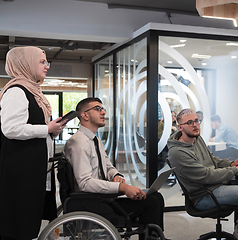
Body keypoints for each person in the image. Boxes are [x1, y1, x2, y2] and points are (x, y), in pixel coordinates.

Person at [63, 97, 165, 240]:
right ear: (84, 115)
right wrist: (122, 188)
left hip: (102, 198)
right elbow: (85, 183)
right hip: (91, 202)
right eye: (98, 109)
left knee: (155, 197)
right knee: (152, 202)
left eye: (103, 109)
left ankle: (155, 237)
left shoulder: (95, 140)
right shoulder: (78, 142)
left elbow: (108, 166)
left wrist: (115, 175)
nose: (103, 112)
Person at [167, 108, 238, 240]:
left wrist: (230, 164)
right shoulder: (177, 152)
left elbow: (212, 159)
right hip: (204, 194)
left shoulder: (196, 138)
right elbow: (207, 176)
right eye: (190, 122)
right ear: (180, 127)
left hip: (217, 185)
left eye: (196, 121)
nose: (195, 125)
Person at [0, 46, 66, 240]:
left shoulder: (32, 90)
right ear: (25, 64)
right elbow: (11, 129)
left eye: (47, 62)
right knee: (18, 227)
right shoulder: (17, 91)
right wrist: (47, 129)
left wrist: (51, 131)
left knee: (28, 224)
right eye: (42, 62)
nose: (47, 66)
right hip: (20, 172)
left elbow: (29, 128)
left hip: (31, 170)